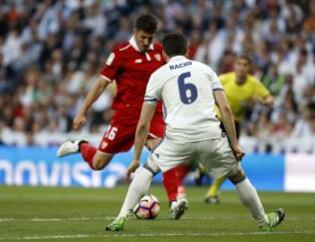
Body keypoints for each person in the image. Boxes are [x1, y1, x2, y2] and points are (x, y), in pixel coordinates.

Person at [105, 32, 285, 232]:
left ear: (164, 53)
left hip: (178, 137)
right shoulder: (206, 70)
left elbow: (143, 124)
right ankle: (263, 220)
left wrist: (136, 157)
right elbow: (225, 109)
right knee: (237, 175)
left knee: (148, 169)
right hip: (210, 134)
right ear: (188, 50)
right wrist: (234, 144)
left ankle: (121, 218)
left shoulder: (158, 75)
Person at [57, 14, 187, 217]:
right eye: (143, 37)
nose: (146, 42)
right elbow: (101, 84)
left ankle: (174, 202)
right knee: (98, 163)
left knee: (165, 152)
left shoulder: (161, 52)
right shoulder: (121, 53)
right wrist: (82, 111)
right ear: (135, 32)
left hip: (152, 115)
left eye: (150, 38)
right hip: (125, 117)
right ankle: (81, 145)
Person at [203, 55, 274, 204]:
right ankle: (202, 169)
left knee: (231, 159)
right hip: (217, 117)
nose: (241, 67)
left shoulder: (253, 84)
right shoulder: (223, 79)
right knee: (220, 153)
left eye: (245, 65)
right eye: (239, 64)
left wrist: (261, 101)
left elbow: (270, 99)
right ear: (235, 66)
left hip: (235, 123)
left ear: (249, 68)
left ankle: (212, 190)